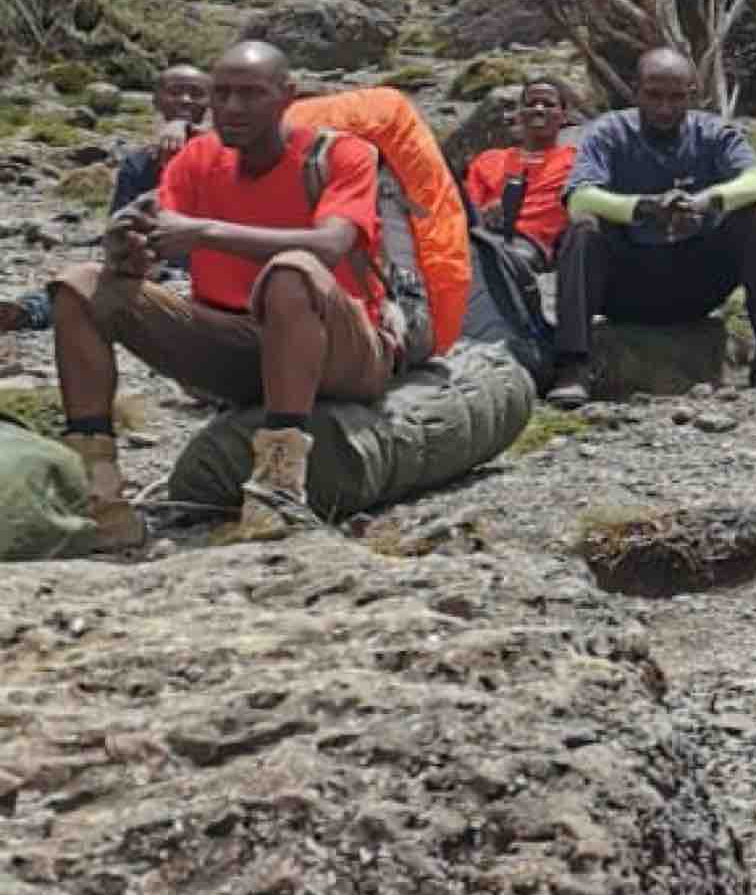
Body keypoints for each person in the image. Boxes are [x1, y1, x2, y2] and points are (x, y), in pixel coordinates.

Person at [48, 36, 401, 549]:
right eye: (223, 94)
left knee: (290, 271)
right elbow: (158, 229)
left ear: (287, 95)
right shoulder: (198, 159)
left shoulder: (340, 154)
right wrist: (129, 248)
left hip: (341, 348)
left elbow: (330, 244)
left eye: (251, 94)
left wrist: (206, 233)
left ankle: (278, 488)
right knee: (77, 286)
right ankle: (100, 493)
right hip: (239, 344)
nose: (233, 108)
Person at [549, 47, 756, 407]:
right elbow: (579, 197)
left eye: (676, 98)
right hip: (626, 284)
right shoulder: (608, 132)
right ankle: (574, 364)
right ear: (635, 90)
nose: (664, 108)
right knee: (583, 229)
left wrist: (707, 201)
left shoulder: (715, 134)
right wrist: (643, 208)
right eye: (653, 95)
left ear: (693, 94)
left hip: (696, 283)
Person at [461, 75, 578, 258]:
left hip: (529, 245)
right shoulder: (488, 160)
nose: (539, 109)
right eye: (531, 104)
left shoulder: (576, 161)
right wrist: (485, 213)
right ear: (519, 114)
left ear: (564, 116)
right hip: (480, 236)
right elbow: (466, 211)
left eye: (548, 104)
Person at [112, 59, 211, 213]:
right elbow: (121, 224)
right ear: (156, 100)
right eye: (175, 92)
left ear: (210, 102)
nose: (186, 100)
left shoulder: (225, 152)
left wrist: (184, 126)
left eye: (196, 94)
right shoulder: (137, 163)